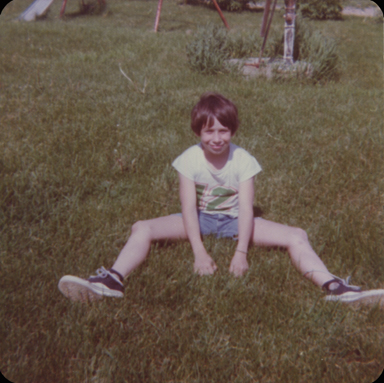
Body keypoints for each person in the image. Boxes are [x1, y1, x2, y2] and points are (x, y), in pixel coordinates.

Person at [58, 92, 384, 306]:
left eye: (223, 131)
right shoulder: (188, 159)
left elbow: (245, 207)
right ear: (198, 132)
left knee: (297, 235)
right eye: (209, 131)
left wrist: (241, 252)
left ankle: (334, 288)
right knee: (141, 226)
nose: (217, 138)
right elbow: (187, 207)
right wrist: (199, 253)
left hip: (233, 222)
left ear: (233, 131)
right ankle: (112, 281)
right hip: (198, 220)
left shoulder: (244, 161)